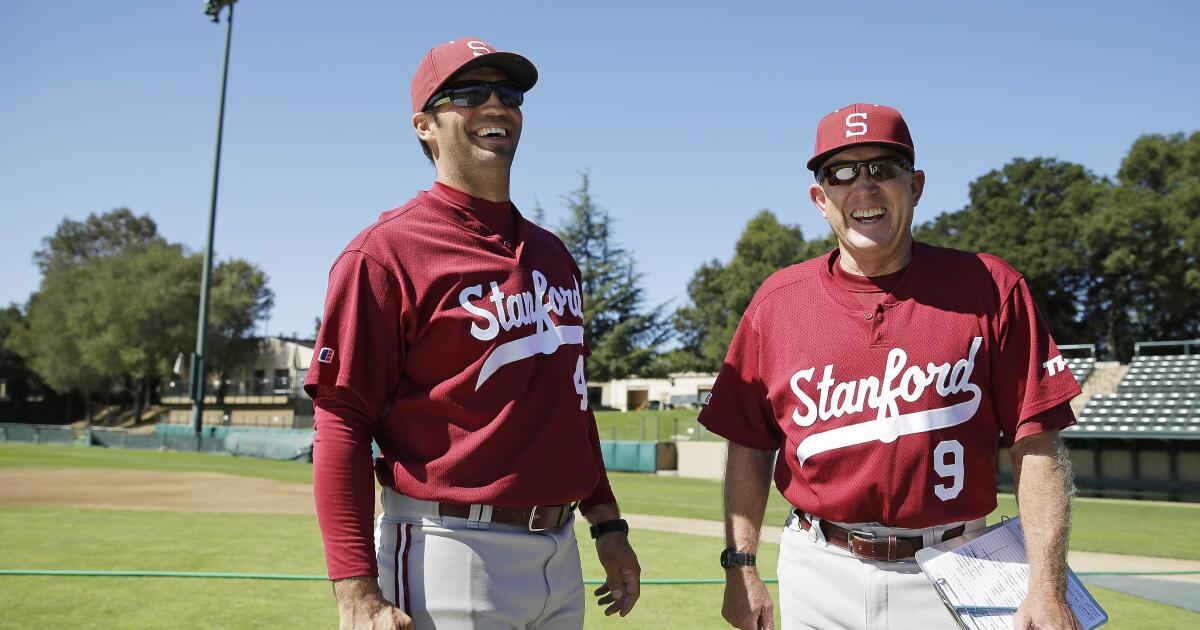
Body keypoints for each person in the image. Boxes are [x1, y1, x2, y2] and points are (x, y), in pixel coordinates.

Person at [699, 103, 1083, 630]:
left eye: (883, 168)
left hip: (956, 564)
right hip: (818, 565)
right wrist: (741, 567)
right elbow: (748, 444)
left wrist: (1046, 585)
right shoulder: (777, 302)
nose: (864, 187)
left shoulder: (992, 288)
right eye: (841, 172)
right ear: (820, 198)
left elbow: (1037, 443)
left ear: (916, 185)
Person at [305, 38, 640, 630]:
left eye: (508, 95)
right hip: (450, 547)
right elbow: (341, 422)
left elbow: (574, 408)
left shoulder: (552, 254)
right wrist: (355, 591)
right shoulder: (384, 254)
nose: (496, 105)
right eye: (468, 94)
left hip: (560, 554)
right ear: (425, 127)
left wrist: (608, 526)